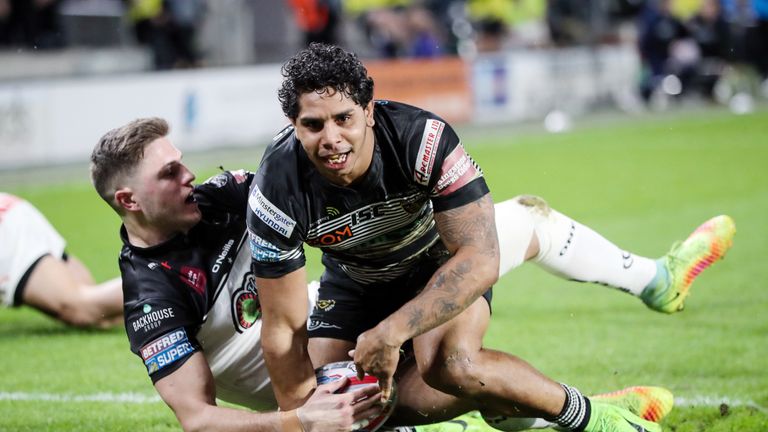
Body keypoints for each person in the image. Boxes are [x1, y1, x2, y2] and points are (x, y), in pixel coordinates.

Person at [246, 43, 735, 432]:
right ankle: (513, 409)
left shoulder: (421, 138)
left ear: (369, 112)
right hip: (354, 283)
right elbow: (283, 329)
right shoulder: (278, 187)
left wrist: (393, 331)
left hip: (438, 264)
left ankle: (596, 415)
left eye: (343, 119)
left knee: (453, 365)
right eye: (313, 125)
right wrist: (304, 421)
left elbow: (479, 258)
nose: (330, 137)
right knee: (345, 400)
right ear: (294, 125)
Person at [89, 118, 685, 432]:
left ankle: (653, 279)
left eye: (183, 161)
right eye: (169, 173)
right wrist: (301, 421)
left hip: (338, 321)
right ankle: (576, 411)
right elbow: (196, 418)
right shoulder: (152, 295)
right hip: (328, 395)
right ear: (129, 200)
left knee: (512, 224)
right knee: (450, 375)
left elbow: (306, 186)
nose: (189, 174)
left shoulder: (221, 198)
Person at [0, 192, 122, 328]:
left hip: (7, 229)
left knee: (82, 309)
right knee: (104, 318)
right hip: (10, 211)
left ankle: (148, 276)